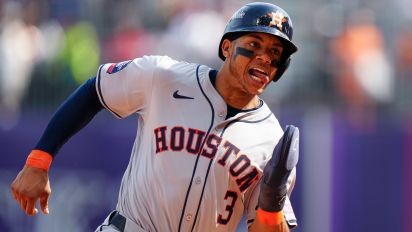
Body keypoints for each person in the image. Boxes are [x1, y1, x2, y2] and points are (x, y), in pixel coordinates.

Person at [10, 2, 300, 232]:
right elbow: (94, 91)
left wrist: (271, 202)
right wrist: (39, 160)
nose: (264, 57)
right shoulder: (163, 77)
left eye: (275, 51)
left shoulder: (271, 139)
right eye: (254, 44)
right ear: (226, 47)